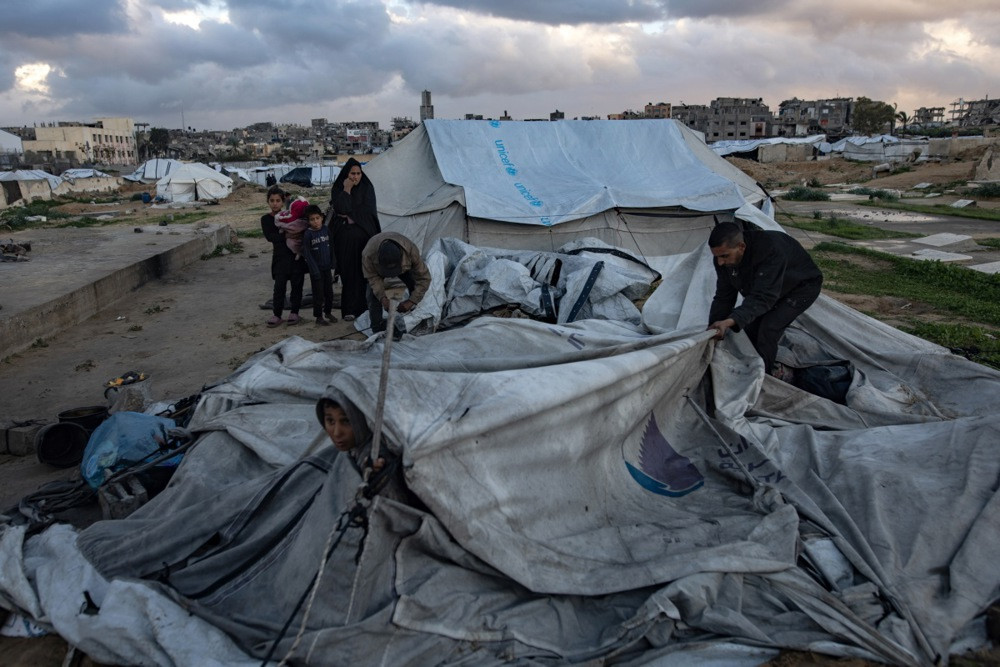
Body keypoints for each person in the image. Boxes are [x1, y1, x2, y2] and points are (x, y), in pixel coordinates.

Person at [706, 221, 823, 380]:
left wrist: (730, 321)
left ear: (741, 247)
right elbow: (724, 296)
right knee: (750, 329)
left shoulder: (770, 251)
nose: (720, 262)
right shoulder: (722, 259)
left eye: (725, 256)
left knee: (768, 329)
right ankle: (749, 370)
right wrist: (714, 326)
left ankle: (764, 379)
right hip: (773, 286)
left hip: (801, 287)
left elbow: (763, 297)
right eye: (717, 257)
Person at [329, 158, 381, 321]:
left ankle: (364, 309)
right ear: (346, 174)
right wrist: (347, 189)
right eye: (352, 173)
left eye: (358, 173)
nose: (355, 177)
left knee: (363, 272)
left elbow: (368, 214)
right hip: (344, 239)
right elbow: (342, 208)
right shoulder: (339, 188)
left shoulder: (367, 188)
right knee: (348, 273)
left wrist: (349, 214)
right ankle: (350, 310)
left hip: (364, 237)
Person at [361, 232, 431, 335]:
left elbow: (424, 278)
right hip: (377, 268)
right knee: (372, 295)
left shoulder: (411, 251)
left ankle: (415, 317)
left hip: (405, 267)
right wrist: (383, 298)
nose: (392, 276)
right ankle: (377, 327)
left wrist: (411, 301)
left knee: (414, 284)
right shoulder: (368, 255)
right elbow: (373, 278)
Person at [260, 186, 306, 327]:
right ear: (268, 202)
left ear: (283, 201)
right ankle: (277, 314)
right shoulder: (266, 219)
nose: (275, 204)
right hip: (280, 258)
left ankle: (294, 312)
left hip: (295, 257)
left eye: (278, 201)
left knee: (297, 286)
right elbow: (271, 237)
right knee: (279, 288)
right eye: (272, 200)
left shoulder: (290, 217)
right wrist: (288, 234)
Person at [301, 204, 337, 327]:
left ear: (322, 217)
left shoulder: (326, 230)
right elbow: (307, 254)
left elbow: (332, 246)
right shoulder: (308, 234)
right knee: (318, 294)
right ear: (308, 221)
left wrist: (333, 262)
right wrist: (314, 270)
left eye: (317, 218)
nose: (315, 221)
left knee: (329, 292)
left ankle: (328, 312)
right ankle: (318, 316)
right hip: (316, 270)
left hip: (327, 268)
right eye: (312, 219)